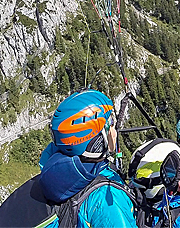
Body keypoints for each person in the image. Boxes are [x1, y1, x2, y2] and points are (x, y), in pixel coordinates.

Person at [38, 89, 137, 228]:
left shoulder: (54, 171)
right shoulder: (109, 201)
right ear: (97, 141)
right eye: (111, 124)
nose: (114, 132)